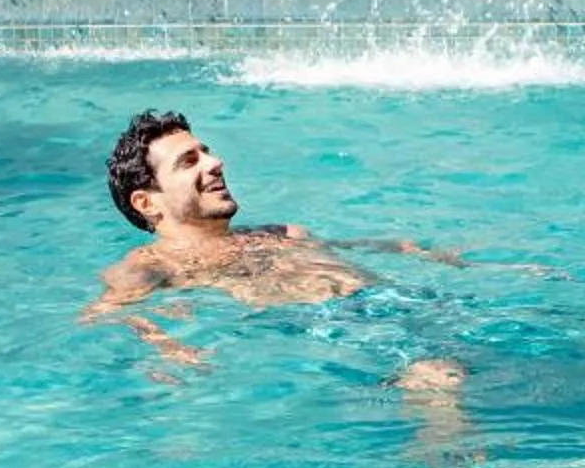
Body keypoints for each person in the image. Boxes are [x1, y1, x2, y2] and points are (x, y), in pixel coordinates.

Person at [85, 109, 470, 398]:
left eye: (207, 152)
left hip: (422, 312)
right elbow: (102, 314)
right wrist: (166, 345)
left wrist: (417, 250)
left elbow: (359, 248)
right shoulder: (152, 264)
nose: (215, 163)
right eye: (190, 161)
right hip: (353, 336)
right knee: (440, 380)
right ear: (146, 203)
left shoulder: (284, 233)